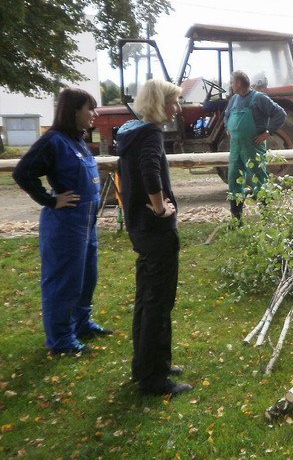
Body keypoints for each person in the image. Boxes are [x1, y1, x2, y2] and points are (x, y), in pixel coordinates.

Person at [13, 88, 112, 355]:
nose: (95, 114)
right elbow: (22, 172)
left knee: (87, 276)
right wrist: (49, 199)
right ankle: (60, 340)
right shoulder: (53, 141)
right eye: (89, 108)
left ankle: (81, 323)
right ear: (73, 111)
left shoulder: (78, 140)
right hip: (65, 223)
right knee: (64, 280)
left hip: (87, 222)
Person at [115, 79, 192, 396]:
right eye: (174, 102)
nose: (177, 109)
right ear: (160, 102)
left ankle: (146, 365)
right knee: (158, 304)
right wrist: (161, 207)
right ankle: (155, 379)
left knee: (146, 301)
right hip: (156, 231)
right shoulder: (150, 134)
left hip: (140, 229)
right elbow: (150, 169)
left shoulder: (130, 132)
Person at [223, 70, 287, 220]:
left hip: (253, 146)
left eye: (232, 82)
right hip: (236, 147)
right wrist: (228, 128)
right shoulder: (234, 99)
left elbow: (280, 114)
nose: (231, 85)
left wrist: (268, 132)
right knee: (234, 180)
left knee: (259, 179)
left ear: (238, 83)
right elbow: (226, 115)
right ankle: (236, 219)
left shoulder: (259, 98)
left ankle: (266, 217)